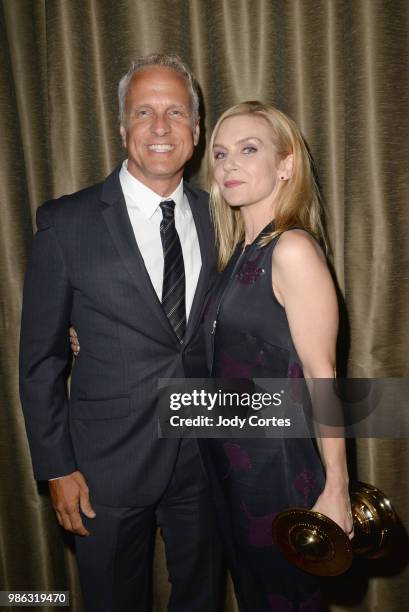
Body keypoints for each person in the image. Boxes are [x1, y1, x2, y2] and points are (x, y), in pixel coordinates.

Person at [19, 54, 223, 612]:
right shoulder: (66, 223)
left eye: (176, 112)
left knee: (202, 598)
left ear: (197, 131)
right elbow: (39, 361)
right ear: (121, 128)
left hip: (205, 461)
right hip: (103, 468)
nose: (161, 127)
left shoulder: (223, 218)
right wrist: (57, 466)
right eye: (144, 112)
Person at [197, 101, 354, 611]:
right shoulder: (235, 254)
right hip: (232, 473)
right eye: (220, 153)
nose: (228, 165)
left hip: (279, 474)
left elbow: (322, 376)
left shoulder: (291, 250)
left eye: (248, 149)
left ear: (286, 165)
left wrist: (337, 486)